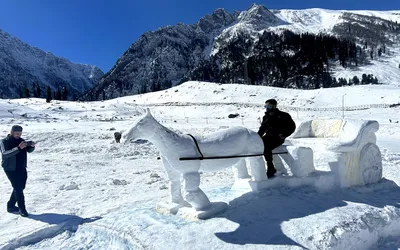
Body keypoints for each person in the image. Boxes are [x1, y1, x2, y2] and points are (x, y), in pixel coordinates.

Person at [1, 125, 35, 217]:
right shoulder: (4, 141)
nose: (18, 135)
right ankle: (22, 209)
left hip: (21, 167)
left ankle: (11, 206)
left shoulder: (21, 140)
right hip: (10, 168)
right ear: (11, 132)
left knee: (21, 186)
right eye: (16, 133)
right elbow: (5, 153)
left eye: (20, 134)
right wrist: (18, 148)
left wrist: (31, 146)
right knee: (18, 188)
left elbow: (29, 150)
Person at [257, 99, 296, 178]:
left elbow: (292, 127)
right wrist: (256, 138)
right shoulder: (266, 117)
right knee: (260, 144)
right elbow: (262, 129)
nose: (267, 108)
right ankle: (267, 168)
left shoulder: (284, 115)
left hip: (278, 137)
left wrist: (284, 134)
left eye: (269, 106)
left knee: (266, 146)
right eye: (266, 106)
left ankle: (270, 168)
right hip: (268, 137)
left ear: (275, 106)